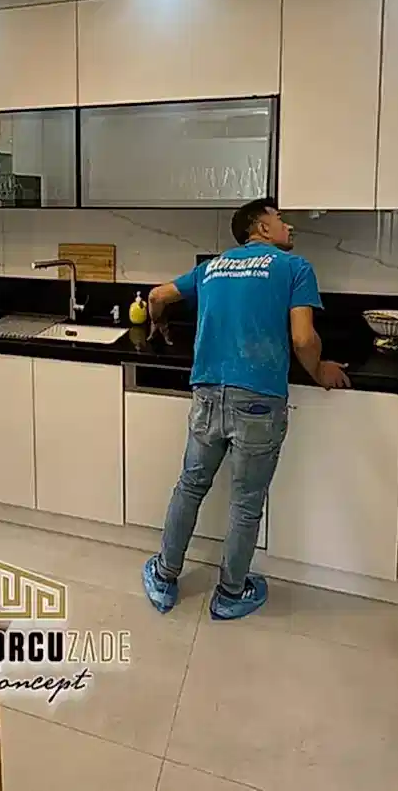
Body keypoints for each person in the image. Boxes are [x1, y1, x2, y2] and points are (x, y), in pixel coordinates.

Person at [140, 197, 348, 620]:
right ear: (262, 228)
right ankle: (231, 594)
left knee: (190, 486)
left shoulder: (212, 267)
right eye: (280, 219)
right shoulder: (295, 268)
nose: (289, 225)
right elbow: (303, 339)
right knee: (246, 501)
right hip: (257, 400)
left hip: (207, 394)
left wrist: (158, 323)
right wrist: (320, 370)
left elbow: (157, 295)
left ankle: (163, 579)